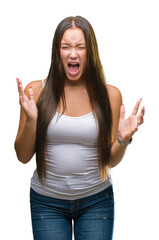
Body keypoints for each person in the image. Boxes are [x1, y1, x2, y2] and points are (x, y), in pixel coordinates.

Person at [14, 16, 145, 240]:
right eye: (66, 47)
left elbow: (109, 161)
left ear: (90, 52)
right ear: (57, 51)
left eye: (80, 47)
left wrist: (123, 140)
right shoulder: (36, 91)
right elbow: (23, 156)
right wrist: (33, 122)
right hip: (47, 203)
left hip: (96, 201)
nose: (72, 54)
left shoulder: (110, 95)